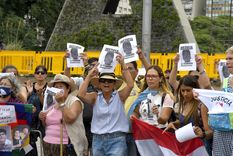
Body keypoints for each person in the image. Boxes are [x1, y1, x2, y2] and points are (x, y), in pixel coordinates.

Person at [78, 53, 134, 156]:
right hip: (98, 140)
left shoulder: (120, 96)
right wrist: (89, 76)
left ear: (114, 84)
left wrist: (123, 64)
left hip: (117, 139)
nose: (106, 83)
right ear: (99, 84)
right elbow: (81, 94)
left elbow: (130, 85)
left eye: (110, 81)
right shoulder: (95, 97)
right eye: (103, 81)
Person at [39, 74, 88, 156]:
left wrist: (62, 103)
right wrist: (42, 118)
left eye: (61, 87)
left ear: (68, 89)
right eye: (56, 87)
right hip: (48, 143)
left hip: (65, 145)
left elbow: (70, 118)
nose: (58, 90)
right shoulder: (52, 103)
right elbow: (47, 125)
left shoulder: (74, 101)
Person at [164, 75, 213, 155]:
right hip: (186, 147)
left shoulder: (202, 106)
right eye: (183, 91)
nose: (185, 94)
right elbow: (185, 121)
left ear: (195, 90)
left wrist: (203, 134)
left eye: (188, 90)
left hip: (200, 148)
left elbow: (210, 132)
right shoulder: (184, 102)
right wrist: (174, 123)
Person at [211, 46, 233, 156]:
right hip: (222, 128)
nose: (228, 62)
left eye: (231, 59)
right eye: (227, 59)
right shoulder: (225, 81)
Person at [26, 65, 48, 156]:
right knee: (28, 144)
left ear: (46, 75)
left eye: (42, 73)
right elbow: (24, 101)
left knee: (46, 144)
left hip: (44, 119)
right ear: (34, 74)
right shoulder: (29, 86)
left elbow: (47, 105)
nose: (40, 74)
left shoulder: (49, 87)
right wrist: (29, 92)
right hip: (30, 119)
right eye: (37, 72)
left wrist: (40, 96)